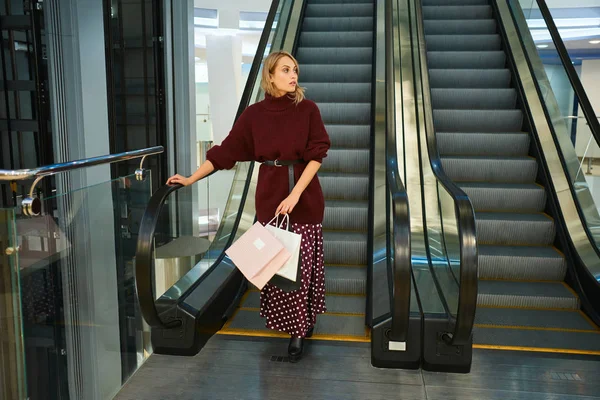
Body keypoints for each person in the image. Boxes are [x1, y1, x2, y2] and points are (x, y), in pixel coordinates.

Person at [167, 50, 331, 363]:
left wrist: (296, 194)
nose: (293, 75)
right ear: (270, 76)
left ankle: (299, 330)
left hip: (304, 198)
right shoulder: (254, 115)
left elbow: (316, 155)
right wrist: (190, 179)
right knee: (276, 268)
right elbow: (225, 152)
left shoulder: (308, 109)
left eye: (295, 69)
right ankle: (296, 324)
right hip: (269, 196)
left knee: (299, 268)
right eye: (285, 70)